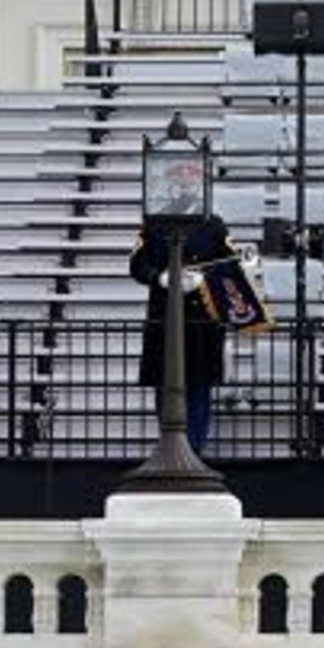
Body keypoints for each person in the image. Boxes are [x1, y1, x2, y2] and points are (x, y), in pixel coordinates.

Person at [130, 186, 240, 457]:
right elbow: (137, 265)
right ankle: (169, 447)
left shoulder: (214, 225)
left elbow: (231, 266)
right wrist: (159, 277)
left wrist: (205, 278)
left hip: (202, 320)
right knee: (164, 384)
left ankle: (195, 449)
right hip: (164, 319)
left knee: (199, 387)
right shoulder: (154, 224)